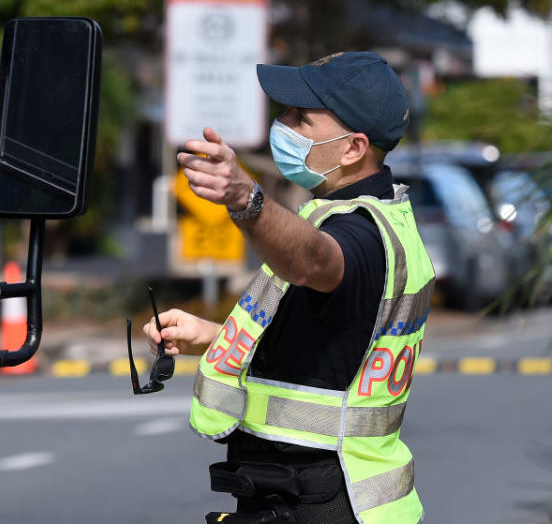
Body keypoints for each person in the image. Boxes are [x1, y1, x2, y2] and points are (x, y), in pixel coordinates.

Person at [144, 52, 434, 524]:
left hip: (328, 502)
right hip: (314, 496)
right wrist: (215, 337)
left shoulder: (362, 234)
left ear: (352, 148)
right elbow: (332, 357)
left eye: (302, 118)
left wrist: (245, 199)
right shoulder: (368, 217)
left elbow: (313, 260)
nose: (283, 123)